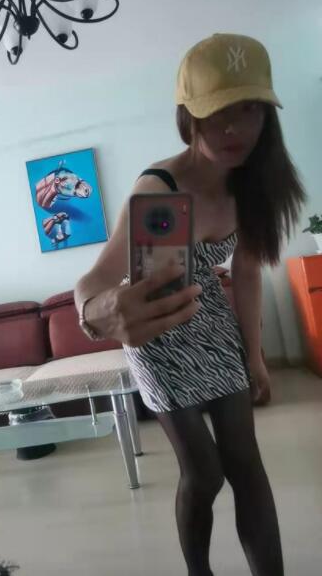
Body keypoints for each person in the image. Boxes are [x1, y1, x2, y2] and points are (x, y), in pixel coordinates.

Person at [74, 33, 306, 576]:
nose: (233, 128)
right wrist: (93, 314)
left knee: (247, 465)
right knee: (204, 474)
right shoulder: (161, 188)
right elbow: (97, 279)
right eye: (217, 111)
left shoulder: (252, 187)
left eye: (249, 109)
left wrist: (255, 355)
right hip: (158, 338)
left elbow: (246, 274)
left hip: (215, 327)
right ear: (189, 116)